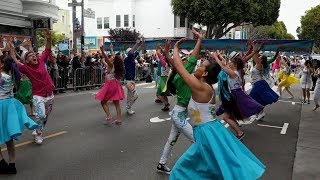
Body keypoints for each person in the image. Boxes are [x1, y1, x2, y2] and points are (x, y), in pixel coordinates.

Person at [169, 39, 265, 179]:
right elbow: (182, 65)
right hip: (208, 131)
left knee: (183, 169)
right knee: (213, 168)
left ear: (205, 74)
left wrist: (175, 47)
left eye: (200, 66)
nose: (197, 66)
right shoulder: (204, 86)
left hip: (208, 133)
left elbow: (178, 66)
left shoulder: (200, 87)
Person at [157, 28, 202, 174]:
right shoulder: (183, 74)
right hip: (179, 114)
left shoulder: (178, 74)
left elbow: (173, 63)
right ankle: (188, 168)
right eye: (185, 59)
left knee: (171, 140)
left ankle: (161, 164)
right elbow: (193, 56)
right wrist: (199, 40)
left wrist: (169, 50)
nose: (188, 60)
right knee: (197, 141)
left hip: (179, 113)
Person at [10, 29, 55, 145]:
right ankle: (37, 134)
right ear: (27, 61)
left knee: (44, 118)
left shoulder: (41, 61)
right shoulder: (26, 68)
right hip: (38, 95)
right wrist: (11, 49)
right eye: (30, 56)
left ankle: (37, 131)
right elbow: (15, 59)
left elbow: (47, 49)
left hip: (49, 94)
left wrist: (48, 38)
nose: (33, 56)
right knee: (41, 115)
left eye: (33, 54)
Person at [0, 54, 38, 174]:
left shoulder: (1, 75)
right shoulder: (11, 75)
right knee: (9, 137)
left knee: (3, 133)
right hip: (10, 105)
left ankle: (1, 163)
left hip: (2, 105)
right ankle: (11, 165)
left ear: (1, 64)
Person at [95, 44, 125, 125]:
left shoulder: (111, 65)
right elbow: (109, 59)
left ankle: (109, 117)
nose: (112, 56)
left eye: (113, 57)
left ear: (114, 60)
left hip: (110, 85)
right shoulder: (113, 65)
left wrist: (102, 51)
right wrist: (111, 48)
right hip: (115, 84)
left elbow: (107, 59)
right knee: (116, 103)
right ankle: (118, 120)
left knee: (103, 102)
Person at [124, 40, 143, 115]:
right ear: (129, 53)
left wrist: (141, 44)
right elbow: (133, 50)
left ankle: (129, 108)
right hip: (128, 81)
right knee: (135, 95)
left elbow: (137, 51)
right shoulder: (127, 59)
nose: (132, 52)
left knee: (130, 96)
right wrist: (136, 43)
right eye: (131, 51)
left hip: (132, 80)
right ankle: (128, 107)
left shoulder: (132, 58)